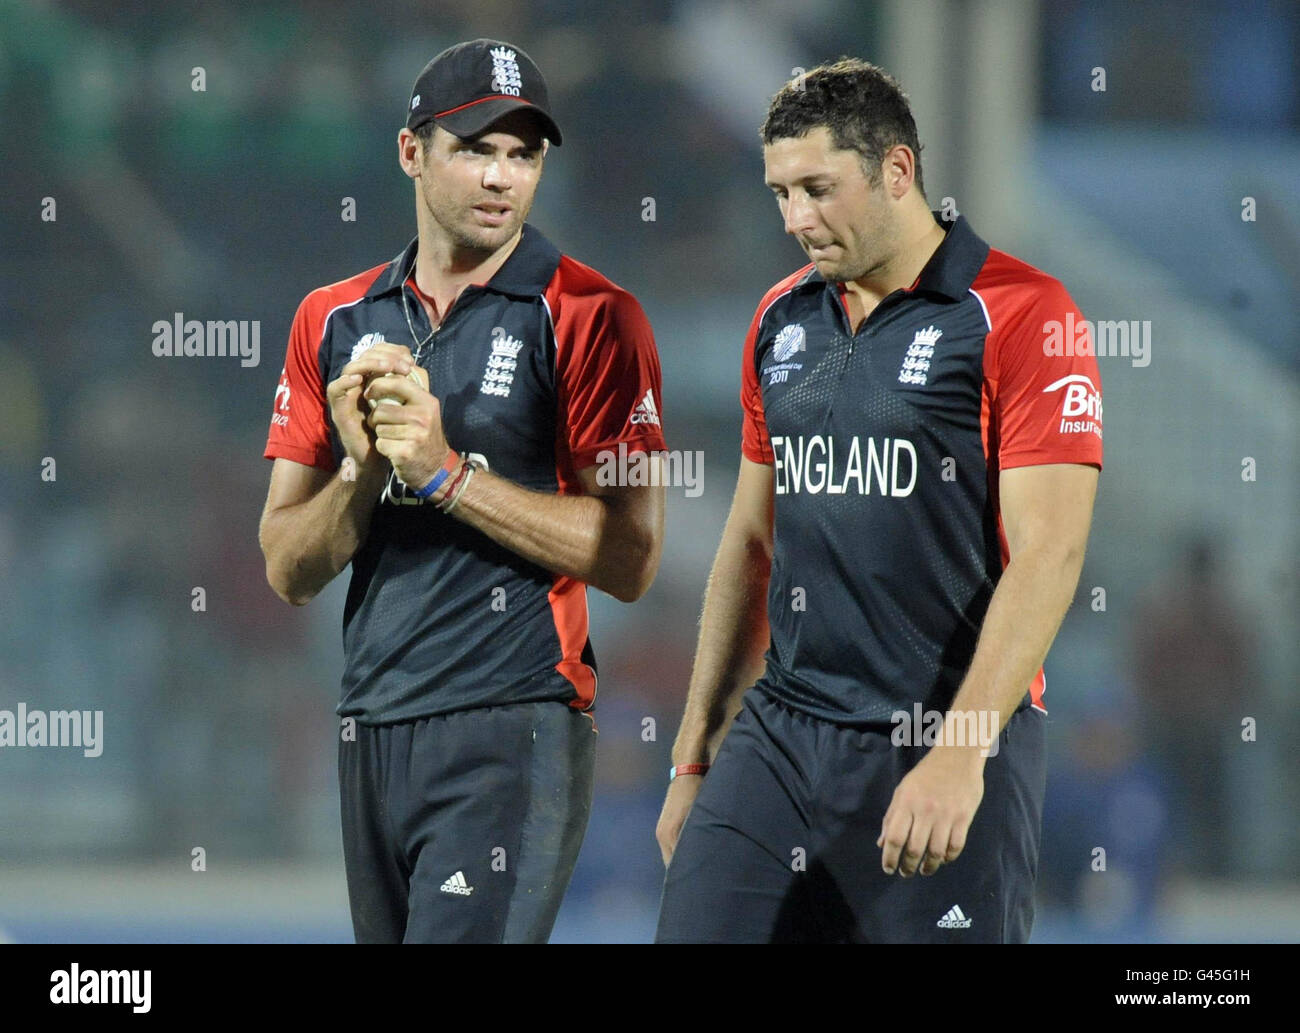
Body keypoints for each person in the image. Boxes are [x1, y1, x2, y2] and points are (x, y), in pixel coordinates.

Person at [654, 58, 1102, 943]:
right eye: (780, 193)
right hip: (782, 735)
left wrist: (961, 751)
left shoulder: (1021, 315)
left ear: (898, 170)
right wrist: (694, 756)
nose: (795, 219)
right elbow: (750, 541)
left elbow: (1050, 552)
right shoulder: (780, 319)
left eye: (818, 189)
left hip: (941, 735)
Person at [258, 38, 667, 944]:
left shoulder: (596, 316)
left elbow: (634, 557)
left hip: (515, 724)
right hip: (372, 722)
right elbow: (289, 566)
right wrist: (363, 470)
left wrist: (447, 475)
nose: (503, 176)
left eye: (524, 155)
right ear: (412, 153)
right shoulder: (333, 318)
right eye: (477, 147)